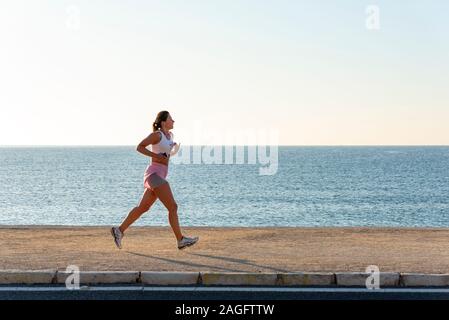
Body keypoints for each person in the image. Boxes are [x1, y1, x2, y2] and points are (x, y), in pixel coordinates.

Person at [110, 111, 198, 250]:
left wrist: (173, 148)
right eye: (170, 118)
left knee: (143, 207)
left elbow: (166, 152)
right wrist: (155, 156)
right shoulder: (157, 135)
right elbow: (139, 147)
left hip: (160, 175)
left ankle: (119, 231)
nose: (173, 121)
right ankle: (180, 240)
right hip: (153, 175)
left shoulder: (170, 136)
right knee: (173, 207)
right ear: (163, 122)